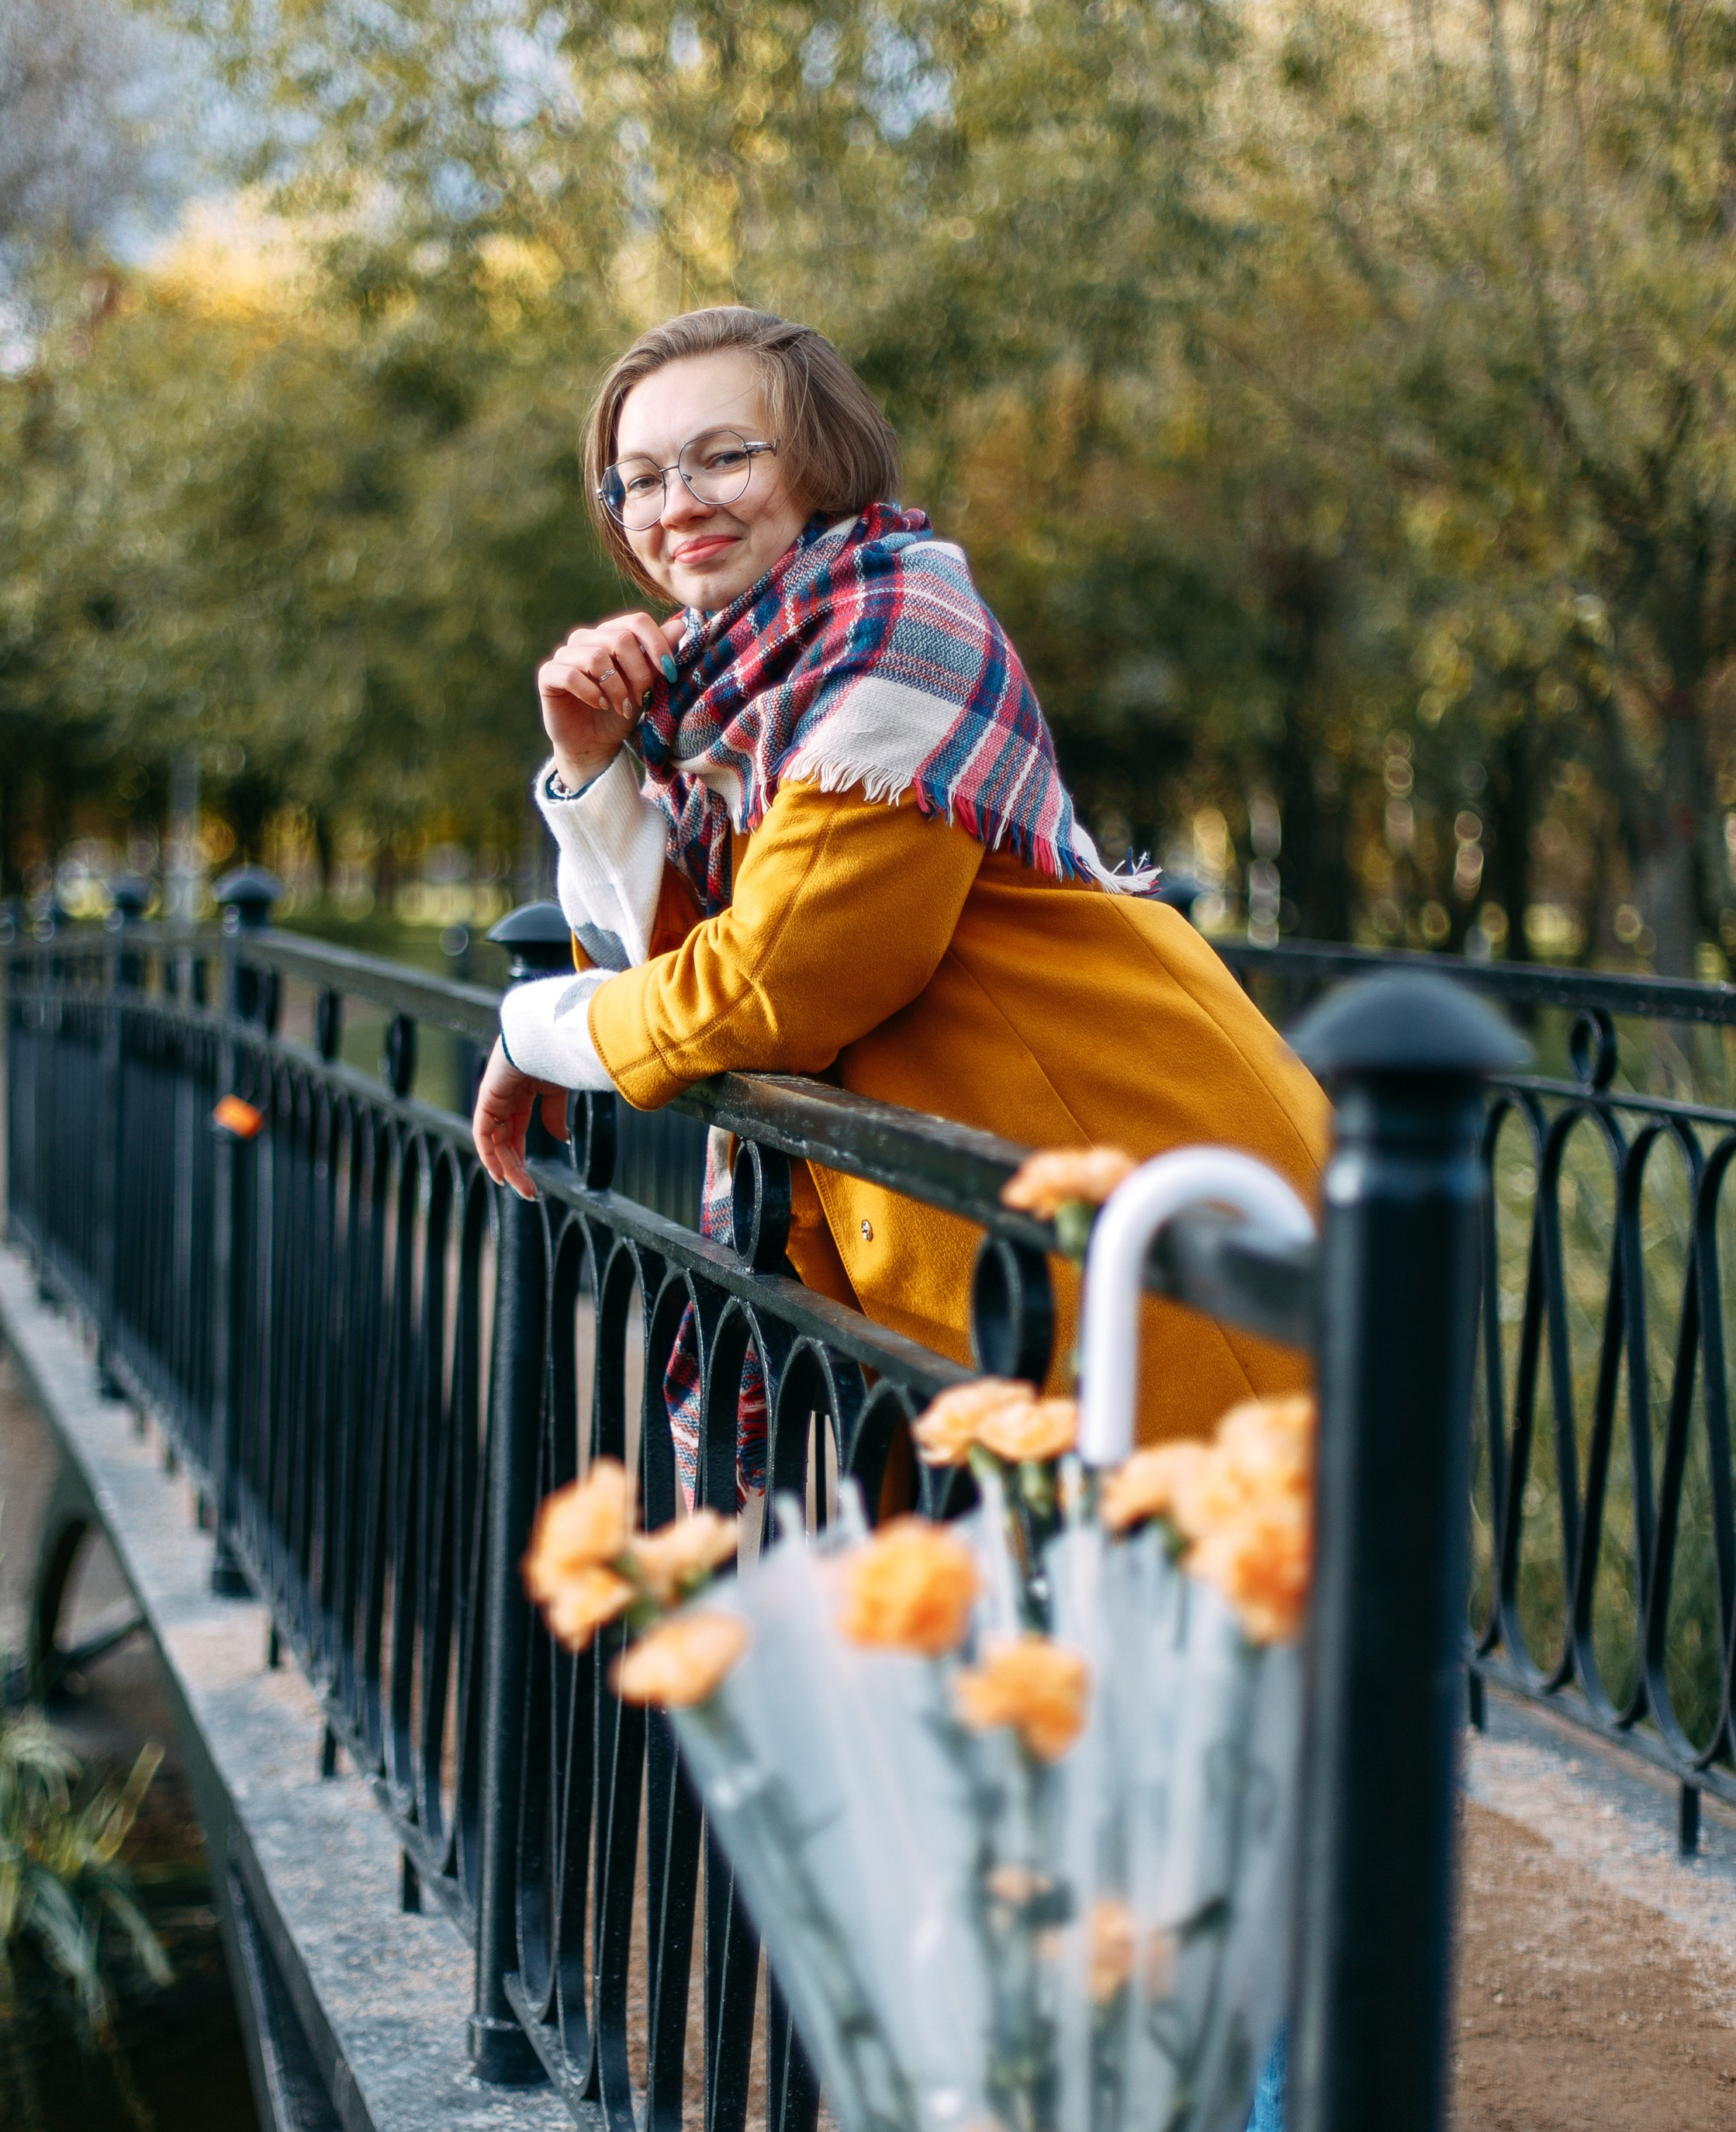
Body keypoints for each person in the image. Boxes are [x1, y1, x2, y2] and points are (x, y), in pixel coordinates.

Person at [472, 303, 1330, 1449]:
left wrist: (536, 1027)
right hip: (1008, 1248)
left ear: (823, 458)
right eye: (636, 479)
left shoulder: (899, 629)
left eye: (723, 455)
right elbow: (681, 975)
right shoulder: (731, 701)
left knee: (1213, 1603)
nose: (675, 503)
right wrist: (593, 768)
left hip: (1150, 1233)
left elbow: (767, 987)